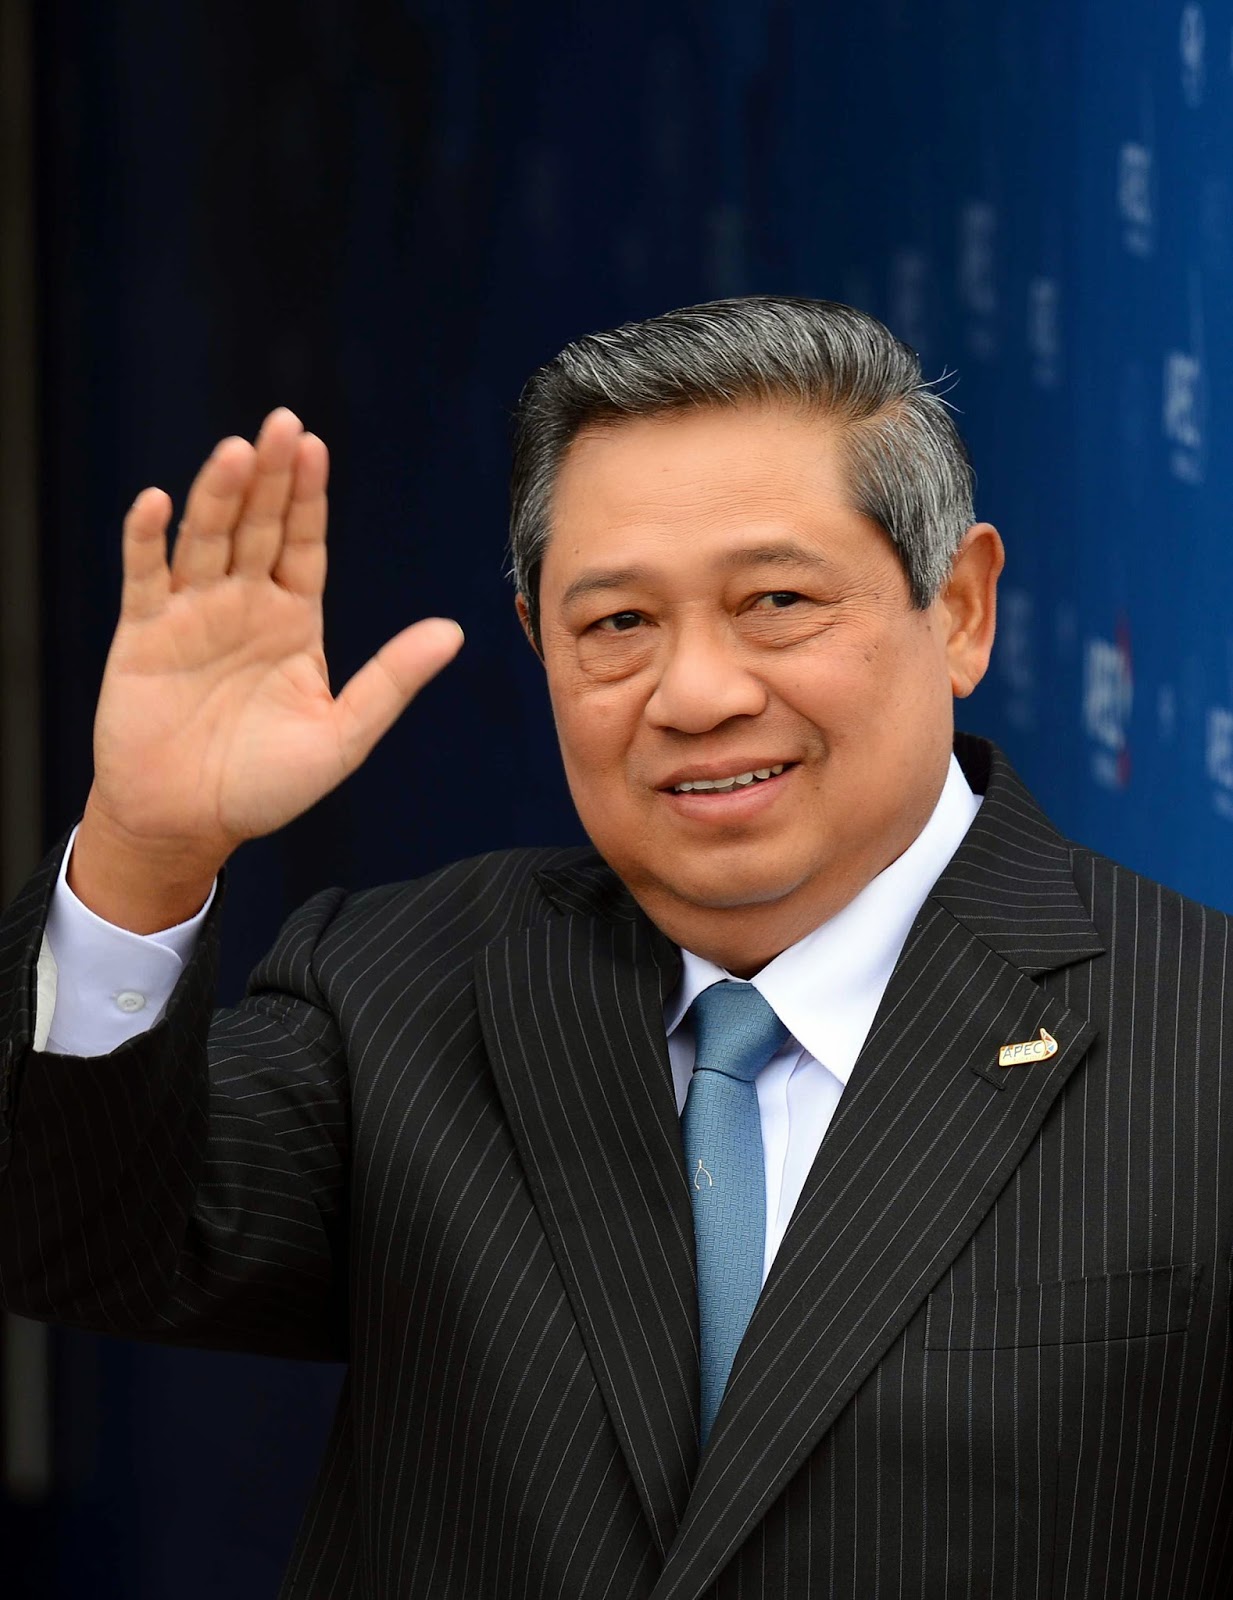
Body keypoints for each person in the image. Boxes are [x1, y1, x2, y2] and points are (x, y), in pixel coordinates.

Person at [1, 296, 1229, 1599]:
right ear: (539, 646)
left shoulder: (1199, 1039)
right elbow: (81, 1238)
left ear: (961, 608)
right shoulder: (407, 988)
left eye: (776, 601)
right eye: (618, 625)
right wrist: (145, 849)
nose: (695, 694)